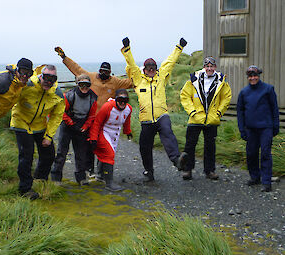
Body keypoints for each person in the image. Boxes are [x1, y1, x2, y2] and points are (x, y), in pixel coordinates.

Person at [54, 46, 134, 175]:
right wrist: (64, 57)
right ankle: (89, 170)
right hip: (89, 119)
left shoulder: (115, 82)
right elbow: (76, 69)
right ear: (99, 70)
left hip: (105, 121)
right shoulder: (91, 77)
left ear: (110, 72)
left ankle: (102, 172)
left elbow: (131, 83)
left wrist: (134, 70)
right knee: (88, 146)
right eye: (102, 71)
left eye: (107, 72)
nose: (104, 73)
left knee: (103, 146)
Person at [121, 37, 188, 182]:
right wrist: (127, 49)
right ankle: (149, 172)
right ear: (144, 69)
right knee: (144, 147)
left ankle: (176, 159)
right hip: (146, 120)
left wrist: (179, 47)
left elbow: (170, 62)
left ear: (156, 68)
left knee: (167, 132)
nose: (151, 70)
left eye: (153, 67)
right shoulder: (138, 79)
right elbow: (132, 65)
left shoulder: (161, 76)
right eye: (148, 68)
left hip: (161, 115)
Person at [10, 65, 65, 200]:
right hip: (21, 122)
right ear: (41, 75)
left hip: (39, 125)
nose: (48, 81)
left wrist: (49, 136)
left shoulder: (56, 93)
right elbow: (10, 94)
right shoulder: (27, 85)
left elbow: (57, 116)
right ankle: (25, 188)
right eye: (46, 77)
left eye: (52, 78)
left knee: (49, 154)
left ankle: (40, 179)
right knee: (26, 155)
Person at [0, 58, 33, 195]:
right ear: (17, 70)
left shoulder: (19, 84)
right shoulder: (3, 82)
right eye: (23, 72)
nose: (25, 76)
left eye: (28, 73)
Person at [180, 57, 232, 180]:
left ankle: (209, 171)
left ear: (215, 67)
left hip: (212, 119)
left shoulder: (221, 81)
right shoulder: (194, 79)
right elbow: (185, 95)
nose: (209, 69)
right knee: (190, 146)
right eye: (207, 66)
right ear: (204, 67)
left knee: (210, 147)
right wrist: (192, 111)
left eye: (212, 66)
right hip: (195, 118)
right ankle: (188, 170)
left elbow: (227, 97)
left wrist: (219, 112)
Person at [237, 65, 279, 192]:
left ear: (259, 76)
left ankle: (266, 182)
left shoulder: (268, 89)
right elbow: (240, 111)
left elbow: (274, 109)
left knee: (265, 154)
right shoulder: (244, 92)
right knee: (251, 154)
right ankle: (255, 177)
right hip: (250, 129)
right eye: (250, 76)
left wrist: (275, 126)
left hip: (266, 128)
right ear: (248, 77)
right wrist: (242, 129)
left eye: (255, 76)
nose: (253, 78)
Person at [51, 74, 97, 185]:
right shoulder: (69, 95)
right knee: (62, 152)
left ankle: (81, 178)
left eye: (87, 85)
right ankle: (56, 178)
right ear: (77, 84)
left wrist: (84, 127)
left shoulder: (93, 97)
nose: (84, 87)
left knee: (81, 153)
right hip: (67, 125)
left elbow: (91, 115)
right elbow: (62, 112)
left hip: (81, 126)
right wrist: (71, 124)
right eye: (82, 85)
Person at [89, 89, 132, 191]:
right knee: (109, 154)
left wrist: (127, 131)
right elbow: (97, 123)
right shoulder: (107, 107)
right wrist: (93, 138)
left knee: (108, 153)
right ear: (116, 98)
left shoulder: (128, 109)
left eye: (125, 100)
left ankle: (100, 175)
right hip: (104, 131)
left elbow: (126, 121)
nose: (122, 102)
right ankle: (109, 183)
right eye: (120, 99)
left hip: (115, 134)